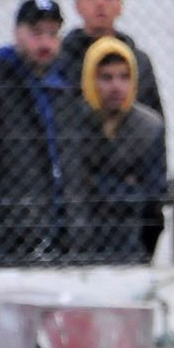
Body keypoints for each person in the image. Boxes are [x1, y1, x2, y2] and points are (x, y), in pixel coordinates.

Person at [0, 0, 85, 268]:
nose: (46, 43)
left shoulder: (63, 90)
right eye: (36, 33)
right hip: (10, 240)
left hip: (63, 239)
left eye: (52, 34)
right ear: (16, 33)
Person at [71, 37, 166, 263]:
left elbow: (153, 197)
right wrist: (126, 187)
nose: (116, 86)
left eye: (124, 76)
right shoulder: (72, 123)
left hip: (132, 246)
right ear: (90, 79)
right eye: (106, 77)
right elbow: (74, 188)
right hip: (81, 247)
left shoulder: (149, 127)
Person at [56, 0, 165, 124]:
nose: (100, 3)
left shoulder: (139, 60)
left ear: (120, 5)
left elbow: (153, 118)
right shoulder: (61, 59)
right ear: (78, 5)